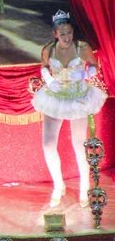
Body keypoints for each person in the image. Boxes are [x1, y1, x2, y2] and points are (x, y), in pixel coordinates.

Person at [32, 11, 107, 208]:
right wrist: (48, 79)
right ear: (55, 34)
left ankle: (84, 186)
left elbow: (94, 66)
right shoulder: (48, 49)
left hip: (77, 98)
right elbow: (43, 67)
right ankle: (58, 186)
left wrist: (84, 74)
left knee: (78, 144)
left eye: (69, 33)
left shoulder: (82, 47)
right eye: (63, 34)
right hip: (55, 97)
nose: (67, 37)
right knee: (48, 144)